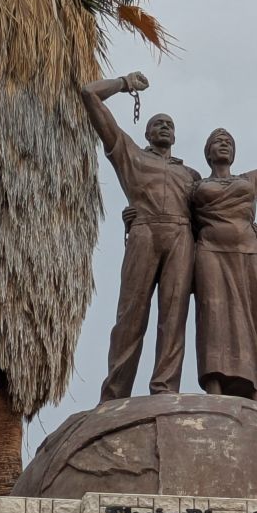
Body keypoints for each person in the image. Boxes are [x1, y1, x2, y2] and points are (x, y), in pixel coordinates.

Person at [80, 72, 200, 399]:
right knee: (130, 314)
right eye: (158, 123)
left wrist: (248, 225)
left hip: (181, 235)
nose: (165, 126)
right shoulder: (130, 154)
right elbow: (89, 94)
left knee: (174, 316)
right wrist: (124, 83)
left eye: (169, 124)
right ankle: (115, 393)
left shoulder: (190, 174)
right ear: (146, 133)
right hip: (144, 231)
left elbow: (215, 210)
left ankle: (164, 387)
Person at [191, 92, 257, 399]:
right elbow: (169, 209)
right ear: (208, 153)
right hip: (211, 253)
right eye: (217, 141)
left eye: (228, 141)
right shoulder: (195, 185)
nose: (223, 143)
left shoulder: (249, 181)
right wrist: (133, 215)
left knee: (253, 316)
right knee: (213, 315)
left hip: (248, 254)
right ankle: (214, 386)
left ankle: (252, 389)